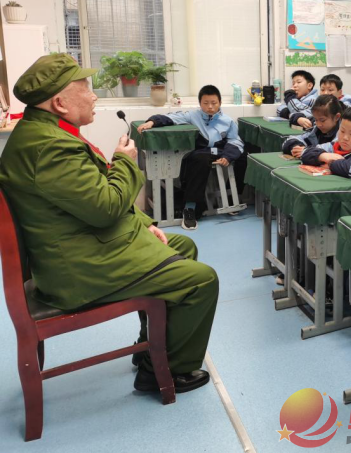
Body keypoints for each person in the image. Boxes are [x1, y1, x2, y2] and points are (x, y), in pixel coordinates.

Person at [0, 54, 217, 394]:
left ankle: (153, 346)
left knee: (183, 245)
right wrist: (125, 162)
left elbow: (89, 196)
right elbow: (105, 208)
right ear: (60, 103)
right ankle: (163, 372)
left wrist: (143, 223)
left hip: (80, 245)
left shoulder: (44, 133)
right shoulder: (51, 148)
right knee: (201, 281)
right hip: (81, 268)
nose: (94, 96)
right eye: (85, 88)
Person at [139, 85, 244, 230]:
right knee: (198, 159)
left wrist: (228, 156)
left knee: (243, 157)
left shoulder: (228, 121)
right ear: (200, 103)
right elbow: (171, 117)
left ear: (220, 103)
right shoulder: (193, 115)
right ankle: (190, 209)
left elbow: (235, 141)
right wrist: (152, 122)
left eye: (214, 103)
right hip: (203, 152)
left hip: (220, 150)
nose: (210, 107)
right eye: (206, 103)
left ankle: (232, 197)